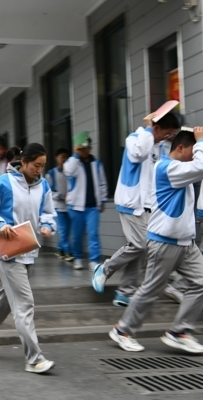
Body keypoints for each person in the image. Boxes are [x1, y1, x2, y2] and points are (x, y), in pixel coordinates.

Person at [109, 128, 203, 354]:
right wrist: (200, 141)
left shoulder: (181, 169)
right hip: (164, 242)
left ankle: (179, 332)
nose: (195, 155)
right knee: (151, 289)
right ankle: (122, 330)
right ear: (181, 148)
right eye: (192, 150)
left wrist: (198, 143)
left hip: (186, 243)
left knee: (201, 281)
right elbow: (200, 166)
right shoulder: (166, 168)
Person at [0, 143, 56, 374]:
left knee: (8, 300)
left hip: (29, 250)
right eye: (36, 165)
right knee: (24, 303)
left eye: (43, 166)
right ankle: (34, 359)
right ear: (24, 162)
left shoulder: (43, 185)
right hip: (6, 252)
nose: (39, 170)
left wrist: (48, 225)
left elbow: (48, 212)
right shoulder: (2, 183)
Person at [92, 112, 181, 307]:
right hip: (131, 203)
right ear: (156, 128)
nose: (166, 138)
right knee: (140, 245)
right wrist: (148, 129)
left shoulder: (160, 146)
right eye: (165, 133)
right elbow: (139, 153)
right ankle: (105, 268)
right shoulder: (134, 139)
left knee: (142, 248)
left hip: (150, 206)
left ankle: (125, 292)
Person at [64, 135, 108, 271]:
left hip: (93, 206)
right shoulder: (73, 162)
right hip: (75, 206)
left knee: (93, 234)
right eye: (81, 148)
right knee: (77, 235)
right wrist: (75, 155)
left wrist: (102, 200)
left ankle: (94, 260)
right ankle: (77, 258)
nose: (84, 150)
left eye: (86, 147)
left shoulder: (97, 163)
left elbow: (102, 183)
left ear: (90, 147)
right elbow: (68, 171)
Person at [46, 148, 72, 262]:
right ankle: (68, 252)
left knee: (67, 231)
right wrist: (61, 196)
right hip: (58, 206)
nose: (63, 159)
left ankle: (60, 249)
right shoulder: (51, 173)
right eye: (61, 157)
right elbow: (48, 191)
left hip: (70, 206)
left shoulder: (70, 172)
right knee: (63, 230)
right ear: (56, 158)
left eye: (66, 157)